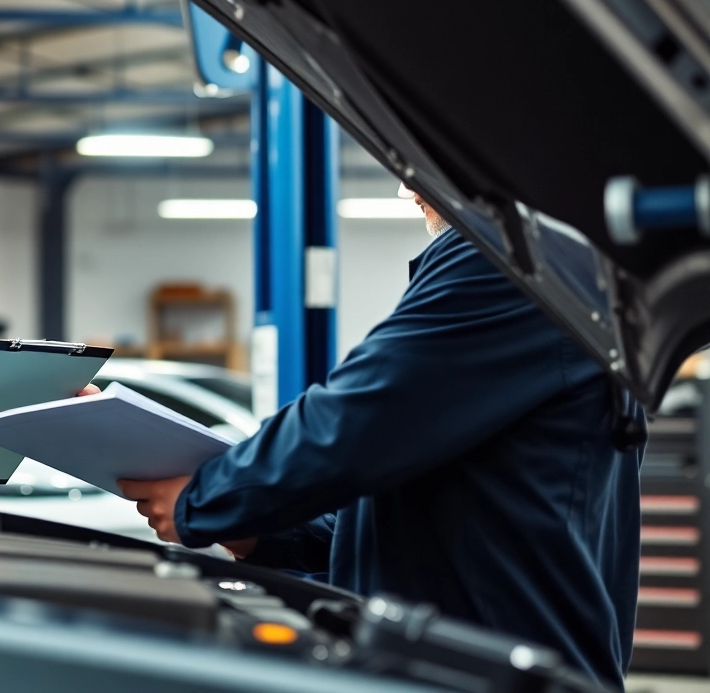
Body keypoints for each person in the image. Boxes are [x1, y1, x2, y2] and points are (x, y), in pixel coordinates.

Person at [120, 186, 645, 687]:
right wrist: (255, 533)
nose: (407, 191)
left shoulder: (507, 263)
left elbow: (351, 417)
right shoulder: (552, 271)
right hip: (473, 659)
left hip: (496, 671)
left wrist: (205, 497)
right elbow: (407, 525)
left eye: (417, 166)